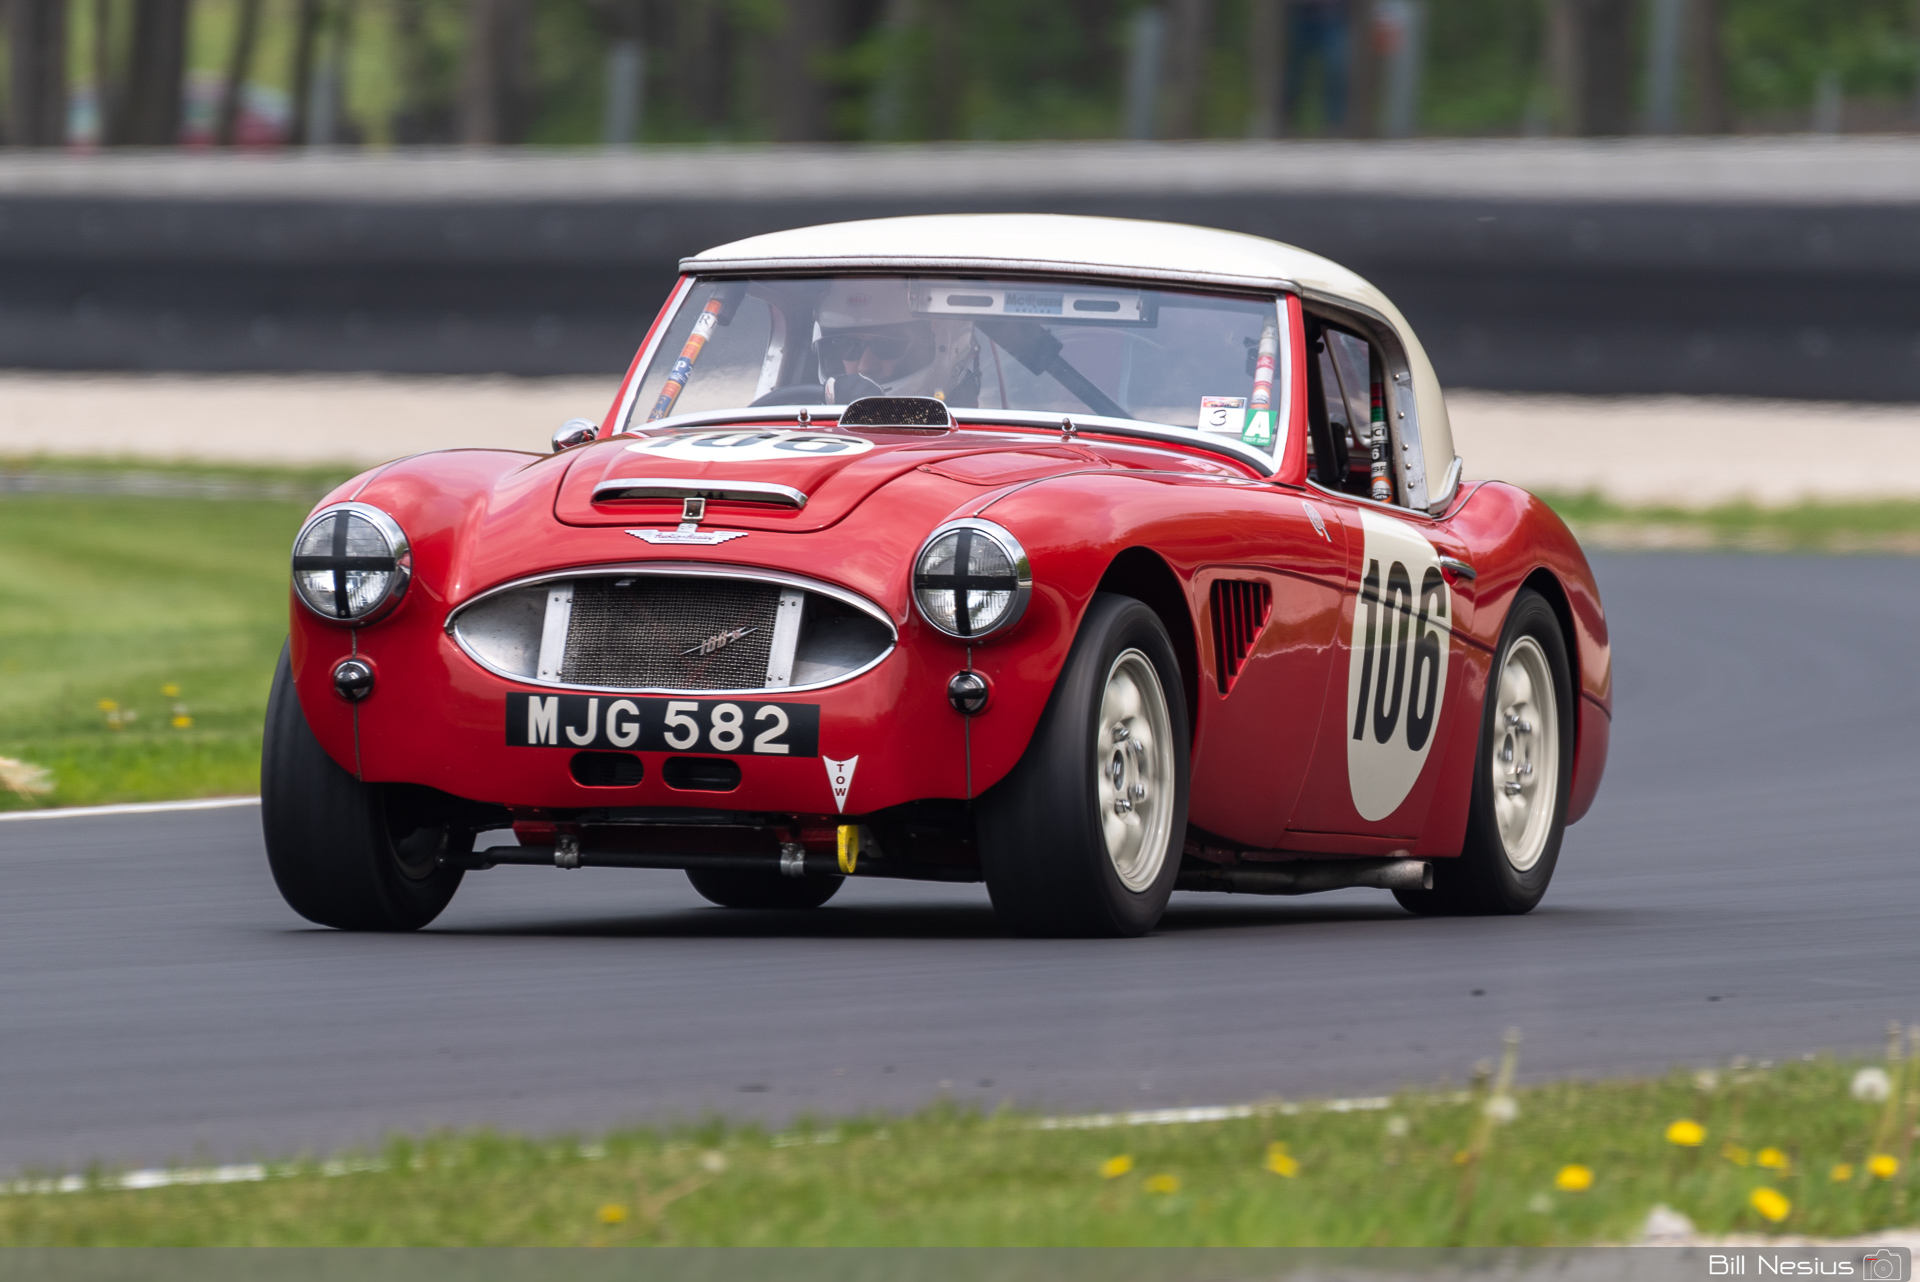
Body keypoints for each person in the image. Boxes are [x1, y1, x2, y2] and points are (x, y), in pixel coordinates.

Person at [814, 280, 981, 406]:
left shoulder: (977, 438)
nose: (865, 367)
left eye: (887, 346)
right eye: (848, 347)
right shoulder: (807, 422)